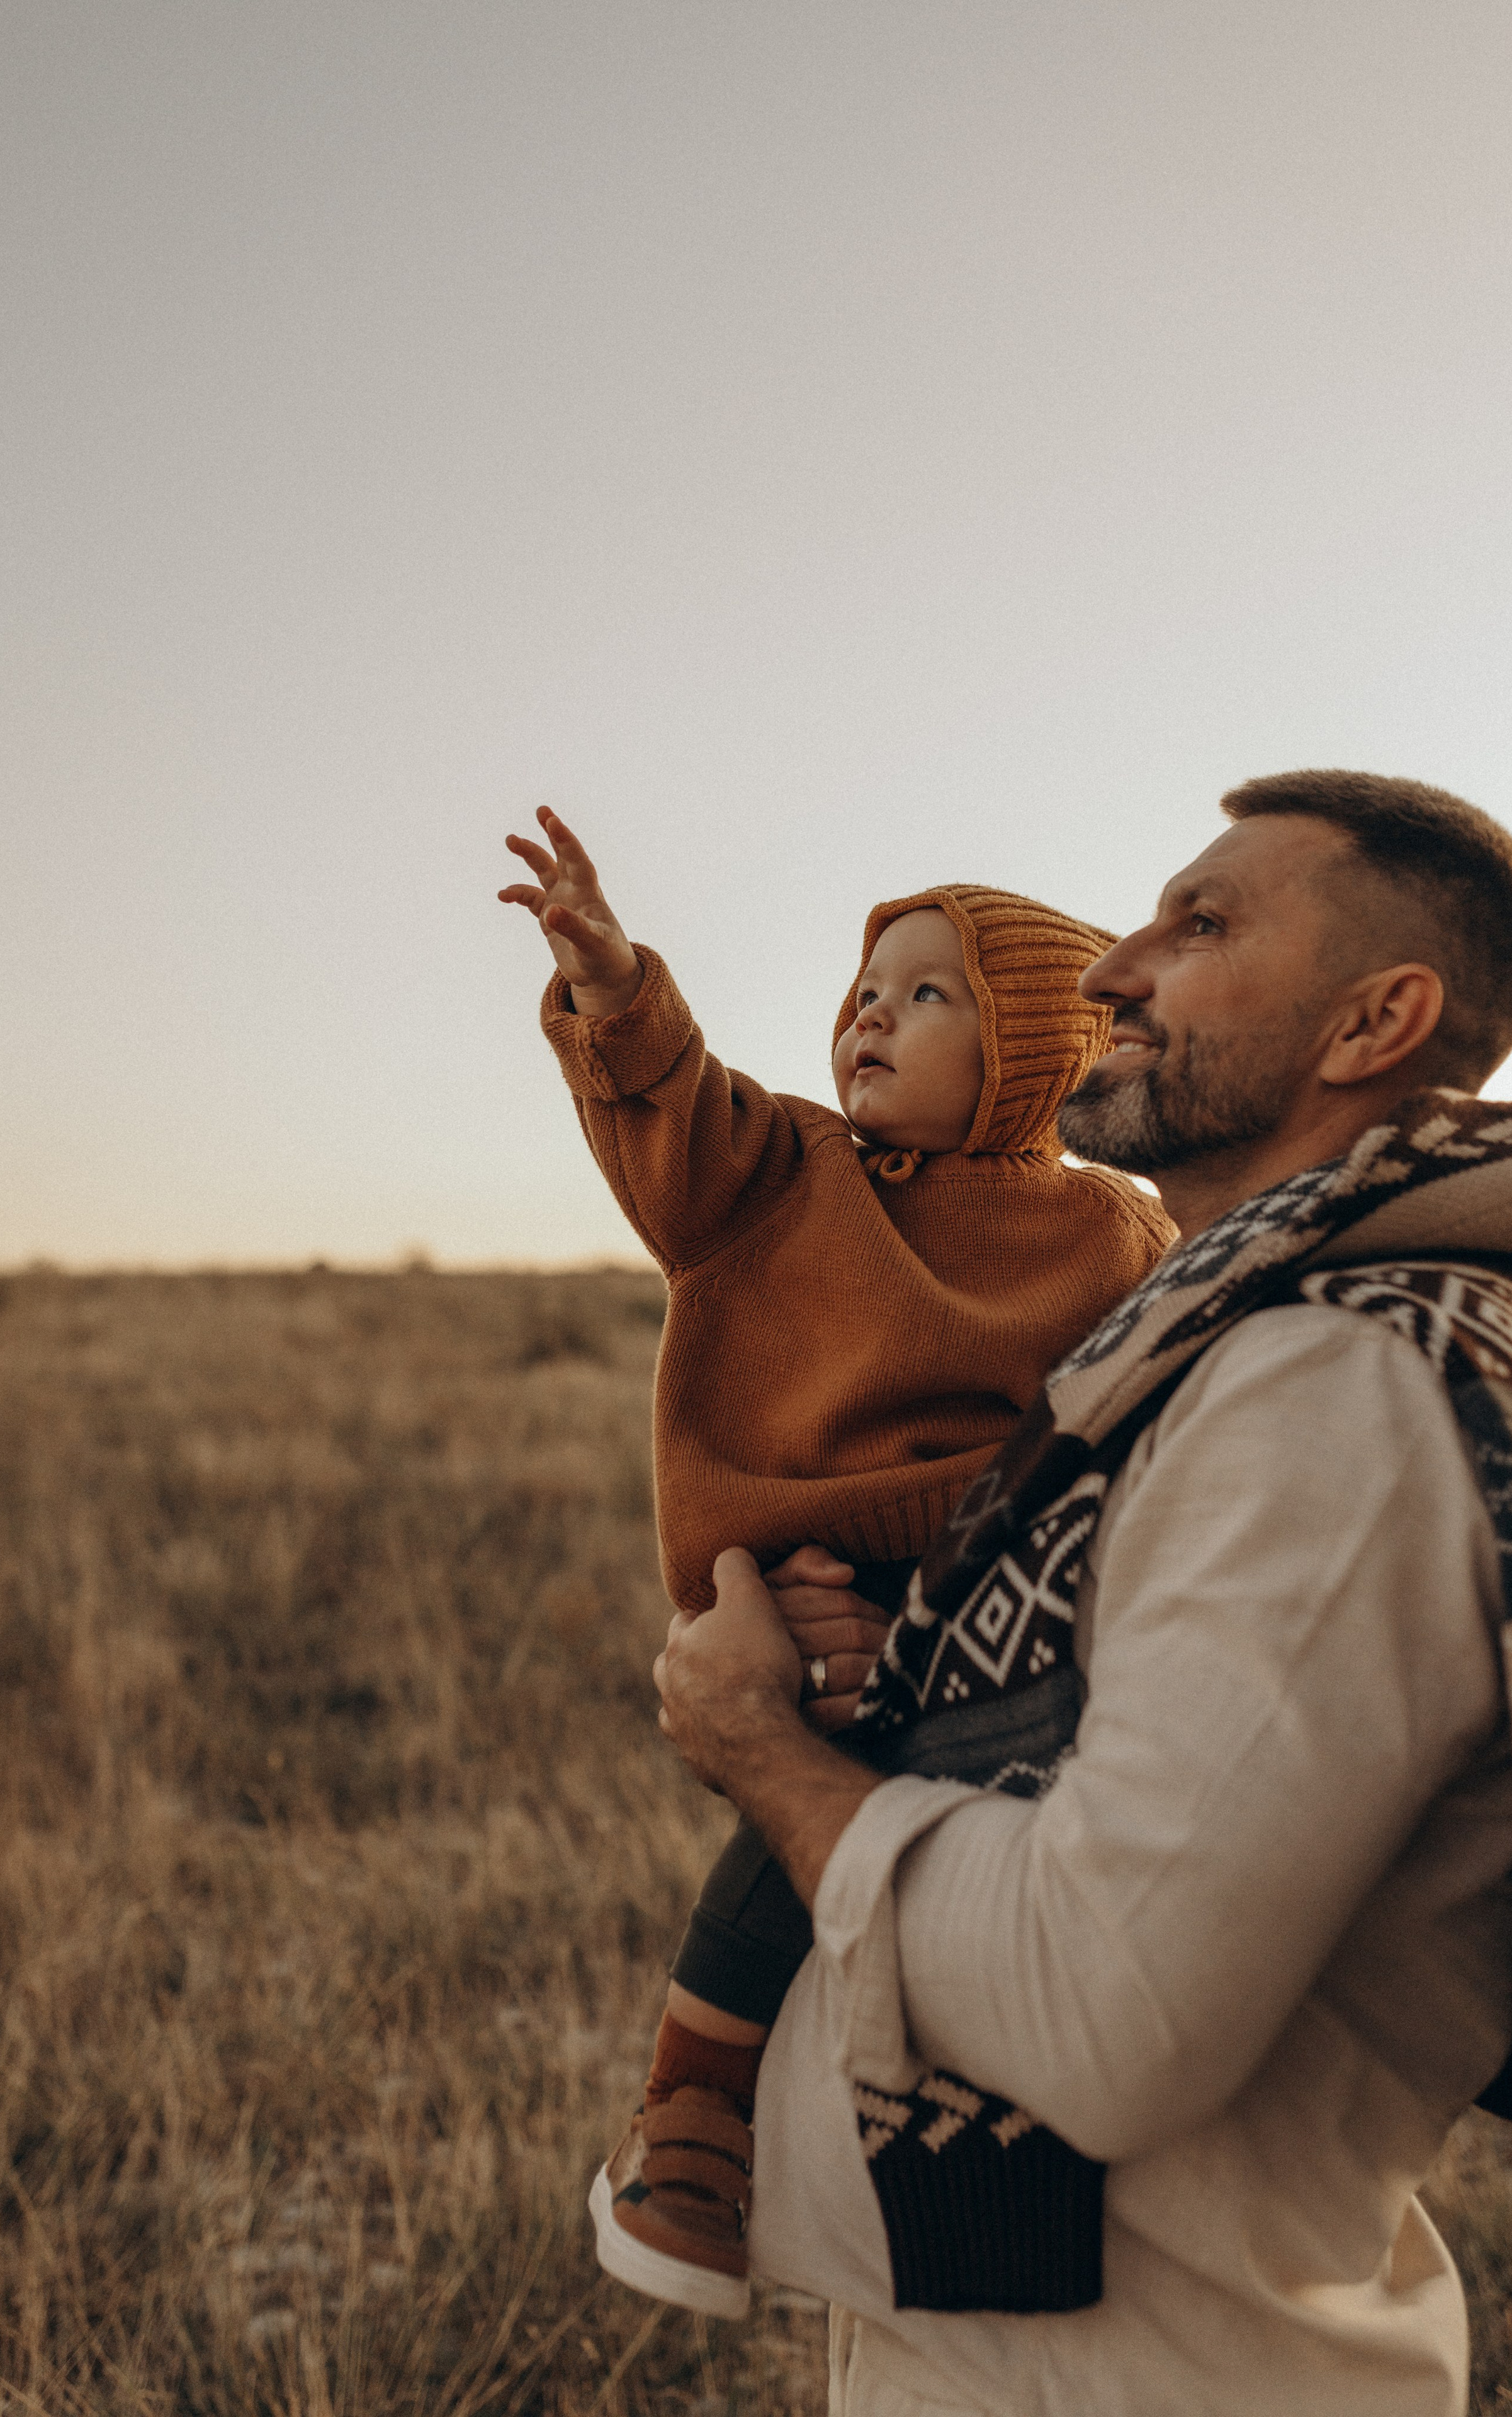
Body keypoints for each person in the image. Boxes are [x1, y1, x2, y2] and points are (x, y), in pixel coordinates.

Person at [653, 769, 1512, 2416]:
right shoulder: (1208, 1348)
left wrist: (766, 1750)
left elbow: (1105, 2018)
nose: (1108, 972)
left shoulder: (1337, 1387)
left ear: (1376, 1019)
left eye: (1202, 924)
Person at [499, 807, 1173, 2313]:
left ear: (1035, 1056)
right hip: (797, 1586)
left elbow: (1146, 1425)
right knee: (831, 1773)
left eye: (928, 992)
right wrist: (617, 993)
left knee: (951, 1838)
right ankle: (689, 2109)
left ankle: (968, 2191)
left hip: (1002, 1595)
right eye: (865, 987)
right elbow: (670, 1105)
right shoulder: (786, 1172)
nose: (869, 1010)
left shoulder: (1110, 1232)